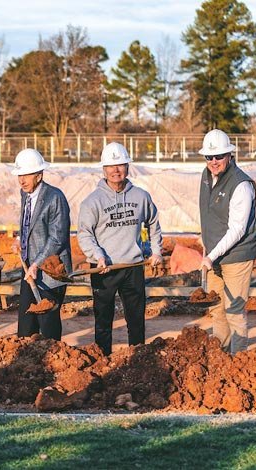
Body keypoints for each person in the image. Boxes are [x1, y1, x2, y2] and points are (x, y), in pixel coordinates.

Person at [78, 143, 163, 354]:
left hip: (133, 266)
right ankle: (103, 360)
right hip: (104, 269)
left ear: (127, 166)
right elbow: (85, 234)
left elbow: (153, 223)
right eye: (111, 166)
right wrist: (98, 255)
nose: (116, 171)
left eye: (121, 165)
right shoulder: (92, 202)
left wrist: (156, 250)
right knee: (103, 320)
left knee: (136, 320)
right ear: (103, 169)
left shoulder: (141, 197)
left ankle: (138, 358)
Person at [198, 129, 256, 354]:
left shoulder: (241, 184)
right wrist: (206, 247)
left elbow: (237, 229)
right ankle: (220, 358)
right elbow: (208, 215)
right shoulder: (205, 177)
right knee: (217, 309)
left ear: (229, 155)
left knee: (234, 310)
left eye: (219, 156)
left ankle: (238, 360)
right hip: (213, 255)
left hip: (237, 255)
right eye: (209, 157)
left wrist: (210, 256)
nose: (213, 161)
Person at [11, 148, 72, 340]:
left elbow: (57, 237)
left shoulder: (55, 198)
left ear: (39, 175)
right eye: (19, 175)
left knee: (48, 324)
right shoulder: (25, 195)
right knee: (26, 323)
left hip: (50, 269)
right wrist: (20, 239)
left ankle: (51, 357)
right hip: (29, 267)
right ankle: (27, 362)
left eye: (27, 175)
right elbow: (27, 222)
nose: (22, 180)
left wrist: (37, 263)